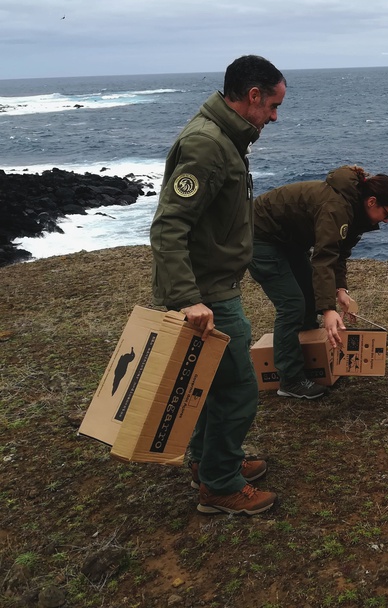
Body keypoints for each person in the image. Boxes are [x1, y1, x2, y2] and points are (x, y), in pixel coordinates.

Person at [150, 55, 286, 516]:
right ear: (252, 97)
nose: (273, 116)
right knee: (237, 389)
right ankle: (220, 484)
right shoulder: (208, 144)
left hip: (214, 286)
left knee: (207, 383)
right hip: (207, 295)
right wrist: (189, 299)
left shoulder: (226, 139)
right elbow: (169, 227)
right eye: (271, 106)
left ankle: (207, 461)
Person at [249, 165, 388, 399]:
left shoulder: (356, 211)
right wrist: (328, 309)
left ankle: (310, 361)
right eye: (387, 214)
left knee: (310, 296)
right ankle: (290, 380)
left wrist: (340, 289)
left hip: (289, 240)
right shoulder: (336, 208)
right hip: (260, 236)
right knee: (292, 306)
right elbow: (323, 258)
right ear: (372, 202)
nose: (387, 221)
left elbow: (339, 253)